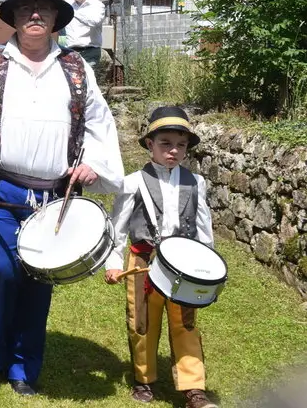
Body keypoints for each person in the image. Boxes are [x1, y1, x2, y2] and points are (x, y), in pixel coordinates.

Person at [0, 0, 124, 396]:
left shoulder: (76, 69)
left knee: (37, 280)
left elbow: (99, 123)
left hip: (54, 196)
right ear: (16, 19)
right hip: (2, 191)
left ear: (57, 20)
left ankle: (24, 368)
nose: (35, 15)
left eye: (43, 10)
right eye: (26, 10)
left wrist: (95, 163)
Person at [104, 107, 218, 408]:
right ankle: (144, 379)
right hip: (144, 262)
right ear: (149, 144)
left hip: (186, 265)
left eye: (180, 145)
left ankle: (193, 387)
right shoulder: (133, 182)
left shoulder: (195, 183)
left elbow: (204, 228)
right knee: (142, 320)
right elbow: (119, 226)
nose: (174, 150)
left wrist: (209, 265)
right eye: (165, 143)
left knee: (186, 322)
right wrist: (114, 262)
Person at [64, 0, 105, 71]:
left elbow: (95, 21)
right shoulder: (69, 4)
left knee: (87, 80)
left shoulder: (97, 6)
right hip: (71, 51)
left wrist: (74, 13)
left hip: (90, 52)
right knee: (72, 82)